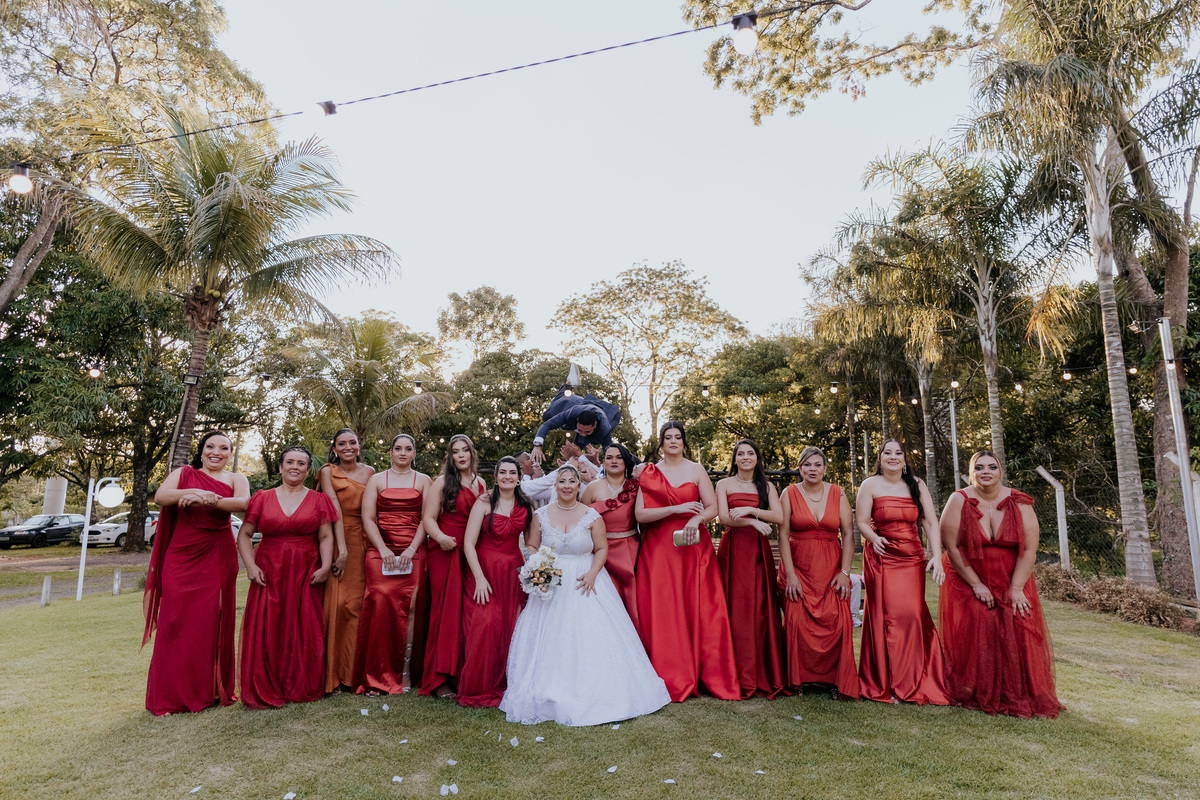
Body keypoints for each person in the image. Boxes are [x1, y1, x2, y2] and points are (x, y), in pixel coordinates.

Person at [500, 465, 671, 726]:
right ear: (555, 486)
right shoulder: (541, 515)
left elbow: (601, 548)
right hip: (551, 582)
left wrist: (592, 573)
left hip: (585, 579)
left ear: (579, 486)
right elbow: (532, 544)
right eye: (562, 481)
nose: (567, 486)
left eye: (572, 481)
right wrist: (538, 565)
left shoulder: (592, 515)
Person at [939, 451, 1062, 718]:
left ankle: (1020, 692)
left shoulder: (1019, 501)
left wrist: (1016, 589)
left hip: (1013, 577)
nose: (986, 471)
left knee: (1020, 622)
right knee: (980, 621)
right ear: (971, 472)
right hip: (969, 575)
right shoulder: (958, 500)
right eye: (979, 467)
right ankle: (976, 690)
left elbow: (1029, 549)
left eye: (992, 467)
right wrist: (976, 585)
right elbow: (951, 547)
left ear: (1001, 471)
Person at [143, 430, 250, 715]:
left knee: (212, 621)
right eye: (210, 446)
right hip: (182, 555)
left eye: (224, 448)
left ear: (230, 453)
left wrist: (205, 499)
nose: (216, 452)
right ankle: (170, 696)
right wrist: (195, 492)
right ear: (201, 450)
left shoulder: (236, 479)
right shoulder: (183, 473)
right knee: (175, 621)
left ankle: (211, 690)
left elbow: (242, 503)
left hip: (218, 554)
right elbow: (161, 497)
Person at [634, 422, 740, 702]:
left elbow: (712, 507)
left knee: (700, 606)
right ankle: (671, 675)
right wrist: (676, 509)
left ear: (684, 442)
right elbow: (641, 515)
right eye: (668, 437)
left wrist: (695, 519)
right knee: (666, 608)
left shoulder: (696, 469)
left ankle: (707, 674)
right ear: (661, 442)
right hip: (659, 549)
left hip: (693, 546)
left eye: (678, 437)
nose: (673, 441)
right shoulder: (649, 472)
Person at [237, 446, 337, 709]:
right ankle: (266, 684)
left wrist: (326, 566)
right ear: (280, 467)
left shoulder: (320, 500)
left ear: (308, 470)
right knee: (269, 624)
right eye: (289, 462)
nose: (295, 467)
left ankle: (299, 685)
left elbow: (326, 536)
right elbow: (244, 535)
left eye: (301, 463)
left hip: (306, 568)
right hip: (269, 569)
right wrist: (250, 566)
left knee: (305, 625)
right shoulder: (262, 498)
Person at [856, 439, 951, 705]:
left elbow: (930, 522)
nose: (893, 456)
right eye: (887, 452)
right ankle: (886, 683)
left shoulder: (916, 484)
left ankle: (913, 679)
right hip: (882, 556)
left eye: (898, 453)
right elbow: (861, 521)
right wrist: (873, 538)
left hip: (911, 558)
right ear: (880, 458)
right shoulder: (869, 485)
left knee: (912, 615)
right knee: (886, 618)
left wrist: (937, 556)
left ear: (905, 458)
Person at [777, 446, 860, 699]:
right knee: (796, 619)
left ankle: (835, 680)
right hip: (798, 568)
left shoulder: (838, 493)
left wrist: (845, 572)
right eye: (807, 465)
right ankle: (797, 679)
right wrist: (790, 574)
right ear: (800, 468)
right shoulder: (789, 493)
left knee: (838, 620)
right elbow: (782, 534)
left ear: (825, 468)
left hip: (831, 569)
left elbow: (848, 534)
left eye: (817, 465)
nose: (812, 469)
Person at [353, 434, 432, 695]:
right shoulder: (377, 480)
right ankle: (376, 675)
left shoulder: (424, 480)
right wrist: (383, 549)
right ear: (390, 452)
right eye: (398, 448)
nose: (402, 452)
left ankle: (406, 673)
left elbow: (427, 519)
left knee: (411, 609)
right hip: (380, 551)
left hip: (413, 551)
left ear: (414, 453)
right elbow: (368, 518)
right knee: (379, 606)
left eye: (408, 448)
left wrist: (411, 549)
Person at [458, 457, 532, 707]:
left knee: (511, 625)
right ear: (496, 477)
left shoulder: (526, 506)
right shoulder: (483, 502)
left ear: (519, 478)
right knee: (487, 622)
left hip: (512, 572)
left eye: (512, 473)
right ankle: (478, 685)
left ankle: (505, 681)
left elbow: (531, 544)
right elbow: (469, 543)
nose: (507, 476)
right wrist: (479, 578)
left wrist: (534, 570)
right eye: (503, 472)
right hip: (483, 570)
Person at [714, 439, 786, 699]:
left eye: (750, 453)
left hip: (757, 551)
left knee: (759, 607)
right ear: (734, 459)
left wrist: (751, 510)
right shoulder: (723, 484)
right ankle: (734, 672)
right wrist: (752, 522)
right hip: (733, 550)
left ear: (757, 458)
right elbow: (724, 518)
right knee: (734, 607)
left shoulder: (766, 485)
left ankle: (762, 671)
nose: (745, 457)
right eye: (741, 453)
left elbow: (779, 517)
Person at [420, 434, 487, 697]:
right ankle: (438, 678)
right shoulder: (441, 482)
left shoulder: (481, 483)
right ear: (450, 456)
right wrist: (440, 537)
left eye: (465, 450)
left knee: (465, 612)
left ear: (472, 453)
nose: (461, 455)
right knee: (445, 612)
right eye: (455, 451)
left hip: (471, 551)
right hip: (445, 550)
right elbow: (428, 518)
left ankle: (461, 672)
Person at [318, 428, 376, 693]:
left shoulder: (371, 473)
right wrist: (341, 551)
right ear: (335, 449)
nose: (348, 447)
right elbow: (334, 510)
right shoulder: (327, 472)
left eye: (352, 442)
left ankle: (353, 673)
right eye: (342, 444)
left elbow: (374, 511)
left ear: (359, 446)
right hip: (336, 537)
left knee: (357, 606)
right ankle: (332, 674)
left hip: (364, 541)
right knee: (337, 605)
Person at [580, 443, 642, 632]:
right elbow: (580, 521)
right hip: (598, 552)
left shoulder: (637, 487)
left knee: (632, 600)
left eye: (619, 457)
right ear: (603, 463)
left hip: (630, 551)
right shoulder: (592, 488)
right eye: (609, 457)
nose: (614, 461)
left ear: (626, 461)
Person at [530, 366, 622, 465]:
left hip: (598, 412)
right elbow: (547, 425)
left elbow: (609, 453)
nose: (583, 434)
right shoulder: (571, 413)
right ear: (577, 422)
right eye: (580, 430)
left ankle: (571, 462)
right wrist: (537, 445)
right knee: (547, 415)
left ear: (594, 425)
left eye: (587, 431)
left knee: (577, 447)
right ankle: (569, 383)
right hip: (575, 403)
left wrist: (571, 462)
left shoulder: (604, 430)